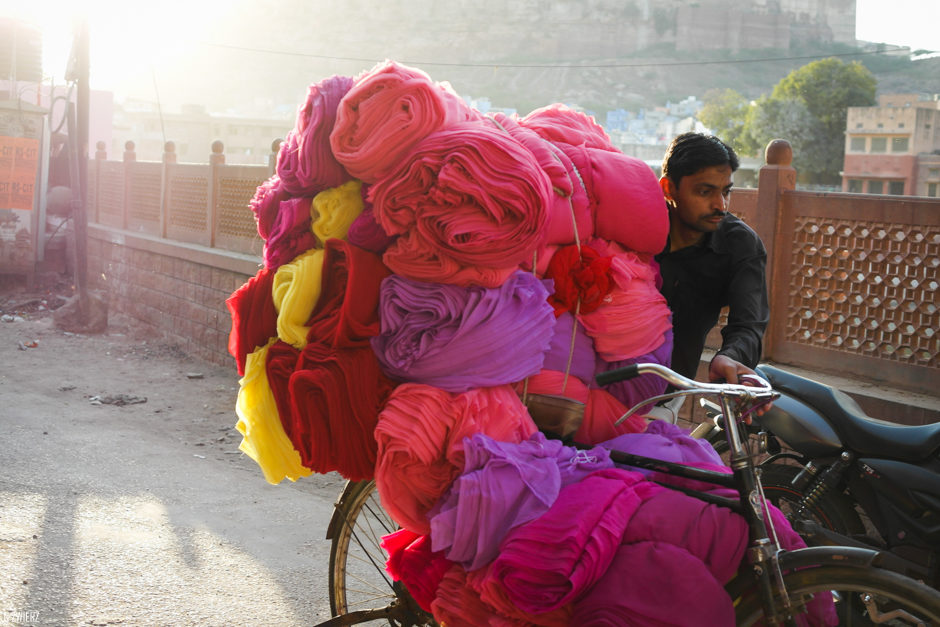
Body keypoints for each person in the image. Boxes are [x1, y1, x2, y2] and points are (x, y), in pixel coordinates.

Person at [655, 132, 769, 387]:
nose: (721, 205)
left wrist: (730, 357)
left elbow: (748, 325)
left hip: (671, 391)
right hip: (598, 381)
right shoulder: (634, 230)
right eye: (705, 192)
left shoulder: (741, 245)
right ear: (668, 189)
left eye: (726, 192)